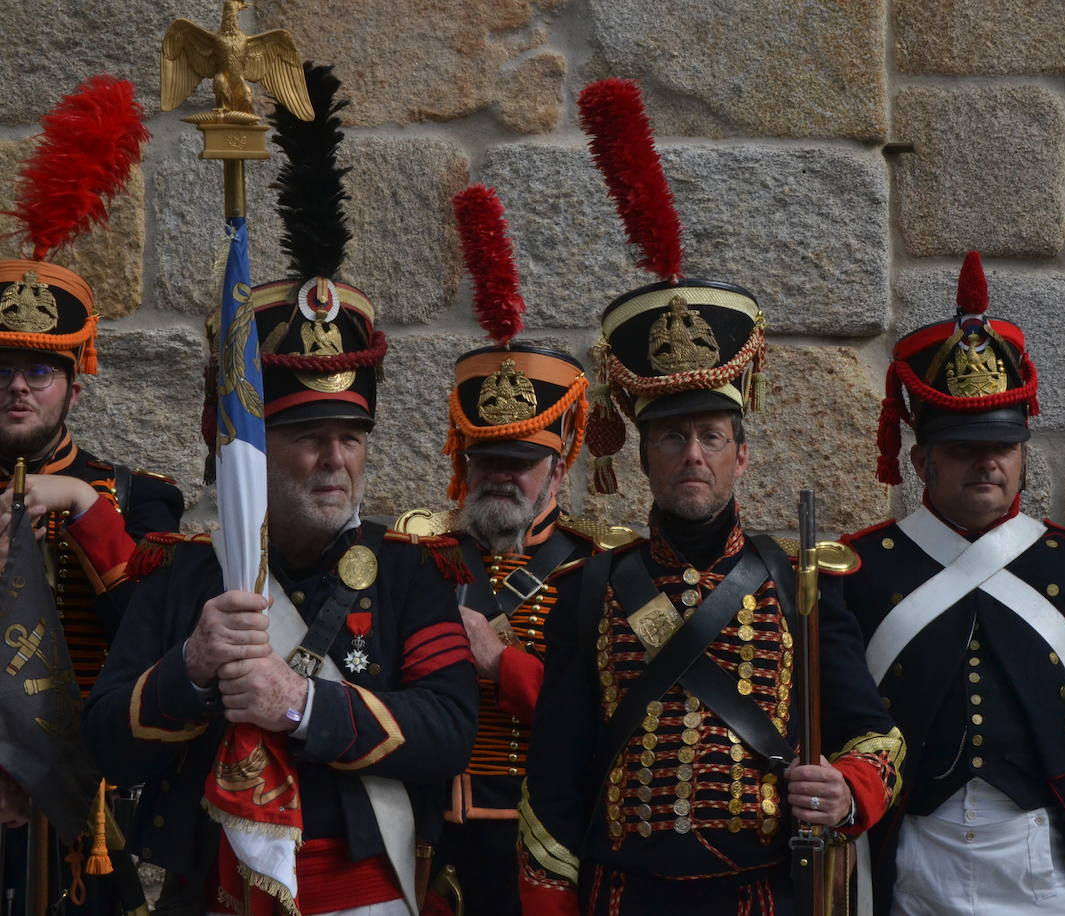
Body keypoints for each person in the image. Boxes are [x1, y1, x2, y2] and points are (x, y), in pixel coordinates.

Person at [81, 64, 479, 915]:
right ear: (253, 452)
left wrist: (301, 705)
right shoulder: (182, 576)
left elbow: (449, 731)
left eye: (351, 438)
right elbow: (109, 742)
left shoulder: (412, 573)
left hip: (363, 893)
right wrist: (190, 668)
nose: (335, 460)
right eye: (306, 438)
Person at [515, 78, 904, 915]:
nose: (692, 454)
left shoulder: (803, 581)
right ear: (643, 456)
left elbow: (876, 734)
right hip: (625, 896)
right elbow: (554, 779)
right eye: (671, 437)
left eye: (711, 437)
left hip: (758, 895)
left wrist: (847, 789)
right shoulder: (588, 588)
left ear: (741, 455)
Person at [843, 252, 1065, 916]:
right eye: (963, 448)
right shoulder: (861, 567)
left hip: (1042, 850)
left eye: (1002, 447)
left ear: (1022, 455)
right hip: (914, 851)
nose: (986, 463)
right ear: (921, 460)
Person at [393, 183, 634, 914]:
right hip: (430, 833)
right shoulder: (416, 553)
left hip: (548, 835)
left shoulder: (604, 566)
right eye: (485, 456)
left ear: (560, 463)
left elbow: (619, 714)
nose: (500, 474)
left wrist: (501, 663)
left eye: (521, 460)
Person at [0, 75, 181, 913]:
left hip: (85, 806)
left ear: (76, 383)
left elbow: (153, 639)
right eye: (2, 368)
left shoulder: (138, 496)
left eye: (39, 371)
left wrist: (83, 506)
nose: (18, 387)